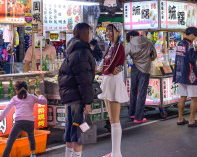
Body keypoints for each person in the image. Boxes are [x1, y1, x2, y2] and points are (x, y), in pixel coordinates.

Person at [58, 23, 96, 157]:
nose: (91, 35)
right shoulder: (82, 51)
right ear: (85, 34)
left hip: (70, 97)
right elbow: (84, 80)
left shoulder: (72, 48)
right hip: (78, 97)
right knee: (78, 134)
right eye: (90, 32)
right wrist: (87, 102)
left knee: (70, 131)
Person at [98, 22, 129, 157]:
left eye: (111, 30)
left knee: (115, 120)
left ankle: (117, 153)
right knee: (111, 120)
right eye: (107, 30)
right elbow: (105, 66)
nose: (108, 33)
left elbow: (109, 67)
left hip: (114, 83)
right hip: (107, 81)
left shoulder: (119, 47)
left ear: (118, 32)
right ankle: (114, 152)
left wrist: (102, 70)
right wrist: (103, 70)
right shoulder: (110, 47)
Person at [0, 80, 47, 157]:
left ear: (16, 90)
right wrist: (39, 95)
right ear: (28, 89)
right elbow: (43, 102)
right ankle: (33, 154)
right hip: (30, 122)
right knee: (31, 137)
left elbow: (7, 109)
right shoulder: (32, 97)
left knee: (10, 141)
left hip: (19, 122)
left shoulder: (15, 98)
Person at [125, 30, 157, 124]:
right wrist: (148, 59)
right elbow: (154, 55)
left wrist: (133, 59)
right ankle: (138, 117)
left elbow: (124, 55)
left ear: (131, 37)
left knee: (133, 91)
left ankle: (132, 113)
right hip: (145, 69)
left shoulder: (130, 44)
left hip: (135, 68)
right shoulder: (148, 42)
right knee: (142, 93)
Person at [173, 27, 197, 127]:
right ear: (192, 35)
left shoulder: (179, 43)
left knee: (183, 97)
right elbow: (192, 58)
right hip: (191, 75)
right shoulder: (189, 44)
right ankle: (192, 121)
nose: (194, 39)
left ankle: (180, 118)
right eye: (194, 37)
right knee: (194, 98)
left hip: (180, 74)